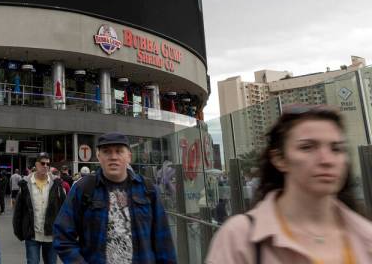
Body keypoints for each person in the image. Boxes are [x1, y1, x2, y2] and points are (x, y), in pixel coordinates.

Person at [206, 106, 372, 263]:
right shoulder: (239, 238)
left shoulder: (365, 236)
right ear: (279, 159)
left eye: (336, 149)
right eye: (307, 147)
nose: (326, 160)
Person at [53, 133, 176, 263]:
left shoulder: (147, 189)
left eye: (119, 151)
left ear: (129, 156)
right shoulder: (84, 188)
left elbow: (164, 242)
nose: (113, 157)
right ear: (99, 156)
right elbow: (62, 235)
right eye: (106, 152)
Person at [13, 152, 67, 264]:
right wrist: (19, 231)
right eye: (43, 163)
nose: (46, 166)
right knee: (32, 262)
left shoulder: (56, 184)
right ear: (36, 164)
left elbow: (64, 209)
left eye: (48, 163)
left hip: (51, 235)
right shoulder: (25, 184)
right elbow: (19, 210)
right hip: (32, 234)